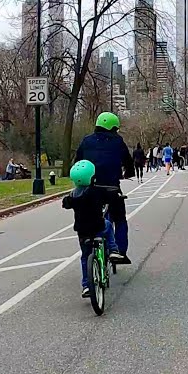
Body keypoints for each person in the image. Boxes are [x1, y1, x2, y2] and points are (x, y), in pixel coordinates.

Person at [73, 111, 136, 270]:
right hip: (111, 188)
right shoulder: (117, 141)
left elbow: (77, 161)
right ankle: (120, 251)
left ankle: (90, 248)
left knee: (88, 217)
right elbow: (128, 162)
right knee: (120, 219)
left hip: (89, 189)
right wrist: (128, 173)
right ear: (113, 127)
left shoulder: (86, 141)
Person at [62, 160, 123, 298]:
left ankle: (86, 286)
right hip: (98, 227)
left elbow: (65, 203)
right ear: (92, 177)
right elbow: (110, 195)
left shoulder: (73, 195)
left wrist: (67, 202)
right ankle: (113, 250)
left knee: (85, 257)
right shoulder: (96, 192)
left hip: (82, 232)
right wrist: (116, 196)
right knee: (107, 225)